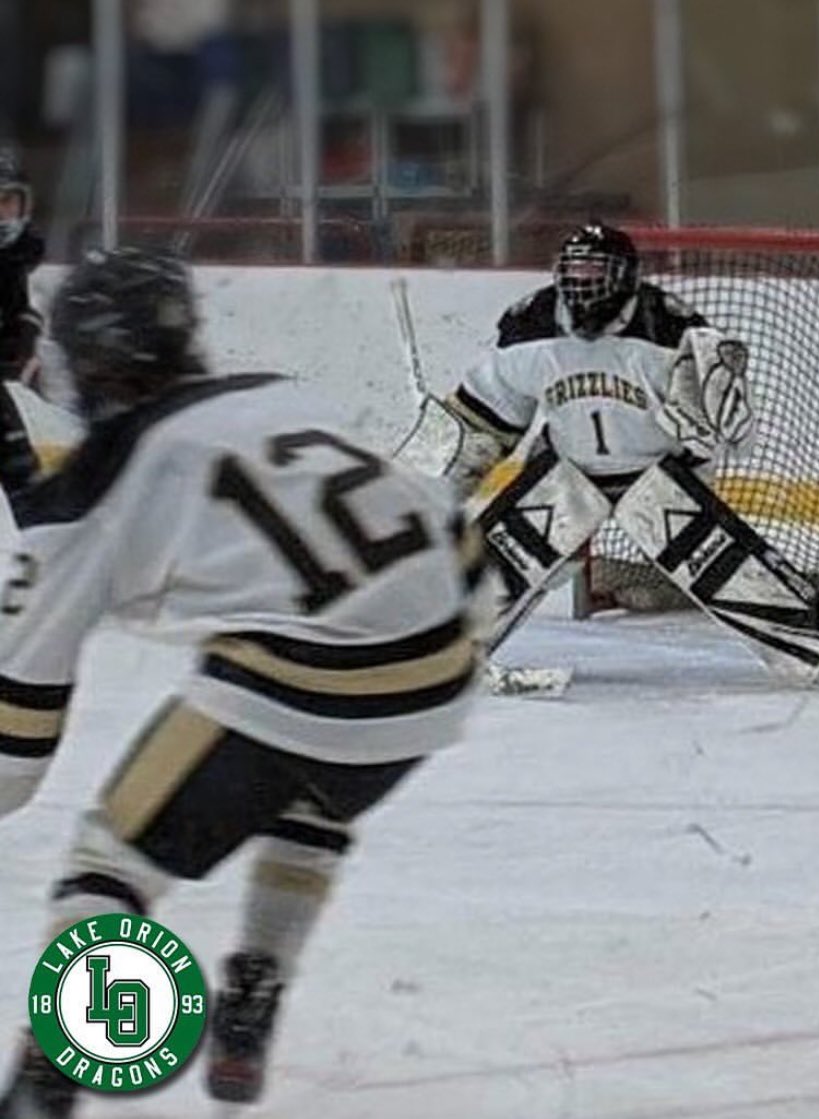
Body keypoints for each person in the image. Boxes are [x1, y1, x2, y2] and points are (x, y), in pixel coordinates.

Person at [0, 247, 488, 1118]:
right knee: (313, 789)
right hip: (444, 660)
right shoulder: (280, 394)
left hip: (311, 673)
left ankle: (44, 1085)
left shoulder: (94, 501)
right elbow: (428, 517)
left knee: (110, 863)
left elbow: (15, 754)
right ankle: (257, 984)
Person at [421, 221, 819, 682]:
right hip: (569, 471)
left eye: (595, 272)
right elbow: (484, 417)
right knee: (501, 563)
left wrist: (711, 422)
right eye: (575, 272)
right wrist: (436, 481)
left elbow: (731, 439)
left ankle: (817, 646)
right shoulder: (531, 328)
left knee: (718, 566)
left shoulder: (672, 330)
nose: (582, 285)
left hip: (659, 473)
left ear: (625, 276)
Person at [0, 153, 44, 493]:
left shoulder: (16, 260)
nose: (2, 212)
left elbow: (20, 309)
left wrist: (26, 333)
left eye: (8, 201)